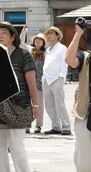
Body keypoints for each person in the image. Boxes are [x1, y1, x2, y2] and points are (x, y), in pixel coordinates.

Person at [0, 21, 38, 172]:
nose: (0, 35)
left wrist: (35, 105)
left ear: (12, 36)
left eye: (3, 32)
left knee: (17, 146)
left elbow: (31, 82)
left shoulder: (23, 55)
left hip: (19, 106)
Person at [65, 23, 91, 172]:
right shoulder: (86, 57)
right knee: (83, 159)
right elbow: (69, 60)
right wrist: (78, 34)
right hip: (85, 113)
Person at [43, 26, 71, 135]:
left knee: (60, 104)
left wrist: (61, 77)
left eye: (51, 34)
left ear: (57, 36)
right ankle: (56, 126)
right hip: (46, 79)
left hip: (57, 79)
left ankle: (66, 127)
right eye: (48, 34)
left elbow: (64, 63)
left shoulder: (62, 48)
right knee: (49, 105)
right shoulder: (48, 49)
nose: (49, 36)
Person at [20, 26, 47, 133]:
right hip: (29, 81)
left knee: (39, 104)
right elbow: (21, 43)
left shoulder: (46, 53)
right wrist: (23, 32)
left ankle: (38, 125)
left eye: (40, 40)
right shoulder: (29, 50)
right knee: (28, 103)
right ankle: (27, 123)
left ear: (43, 43)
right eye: (37, 40)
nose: (38, 42)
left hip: (40, 81)